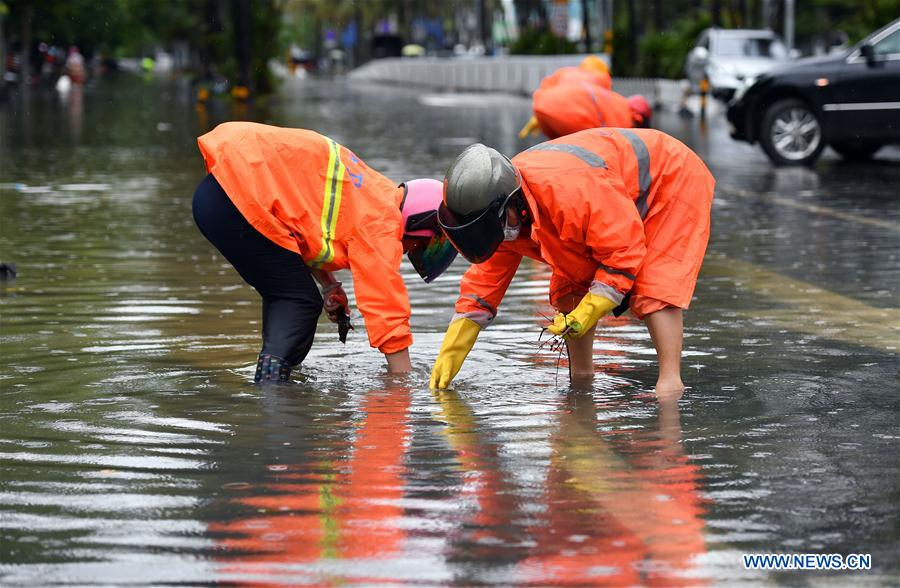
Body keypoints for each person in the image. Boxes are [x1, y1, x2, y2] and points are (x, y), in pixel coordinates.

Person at [430, 128, 715, 398]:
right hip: (607, 201)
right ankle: (582, 378)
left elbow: (622, 251)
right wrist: (455, 345)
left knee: (654, 289)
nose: (500, 237)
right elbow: (485, 281)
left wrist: (593, 308)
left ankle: (669, 385)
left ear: (510, 205)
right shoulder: (503, 210)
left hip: (668, 180)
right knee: (568, 291)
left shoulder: (568, 193)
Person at [193, 122, 457, 382]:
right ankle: (272, 402)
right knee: (298, 302)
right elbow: (387, 312)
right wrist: (404, 381)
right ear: (419, 225)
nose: (411, 252)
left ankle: (273, 392)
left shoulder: (375, 195)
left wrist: (329, 286)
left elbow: (300, 225)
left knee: (293, 295)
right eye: (425, 245)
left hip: (220, 194)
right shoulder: (382, 226)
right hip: (237, 198)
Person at [519, 57, 653, 138]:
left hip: (541, 106)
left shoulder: (570, 72)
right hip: (575, 121)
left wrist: (538, 115)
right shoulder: (608, 92)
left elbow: (548, 87)